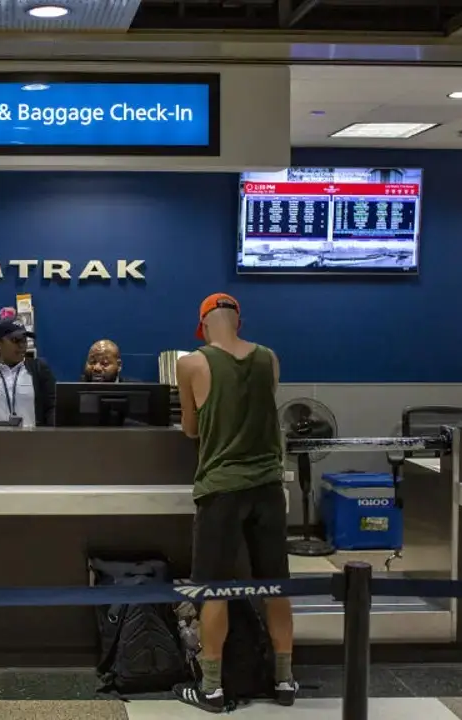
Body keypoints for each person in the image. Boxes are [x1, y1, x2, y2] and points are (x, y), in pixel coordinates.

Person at [173, 293, 296, 711]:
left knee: (214, 588)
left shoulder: (191, 363)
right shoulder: (269, 359)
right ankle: (285, 681)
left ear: (204, 325)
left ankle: (211, 687)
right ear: (238, 321)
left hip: (221, 488)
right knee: (276, 583)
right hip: (268, 487)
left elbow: (191, 429)